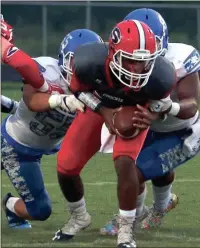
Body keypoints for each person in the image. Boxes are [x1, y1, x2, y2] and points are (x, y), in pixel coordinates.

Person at [52, 19, 177, 248]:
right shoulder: (88, 61)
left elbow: (163, 107)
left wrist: (153, 116)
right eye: (130, 60)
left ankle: (126, 230)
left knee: (125, 162)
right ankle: (79, 216)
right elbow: (79, 91)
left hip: (136, 109)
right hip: (99, 104)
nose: (136, 69)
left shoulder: (161, 75)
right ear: (112, 53)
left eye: (143, 62)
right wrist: (104, 110)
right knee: (66, 165)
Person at [99, 8, 200, 236]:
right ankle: (160, 205)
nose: (139, 54)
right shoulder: (119, 62)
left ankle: (131, 218)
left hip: (182, 132)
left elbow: (191, 105)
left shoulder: (179, 60)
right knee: (150, 169)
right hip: (148, 128)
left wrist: (165, 108)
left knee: (136, 171)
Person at [1, 20, 103, 229]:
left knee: (41, 210)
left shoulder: (98, 87)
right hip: (10, 142)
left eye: (88, 62)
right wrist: (60, 99)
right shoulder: (46, 69)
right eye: (76, 61)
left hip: (33, 153)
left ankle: (9, 206)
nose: (81, 68)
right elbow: (32, 100)